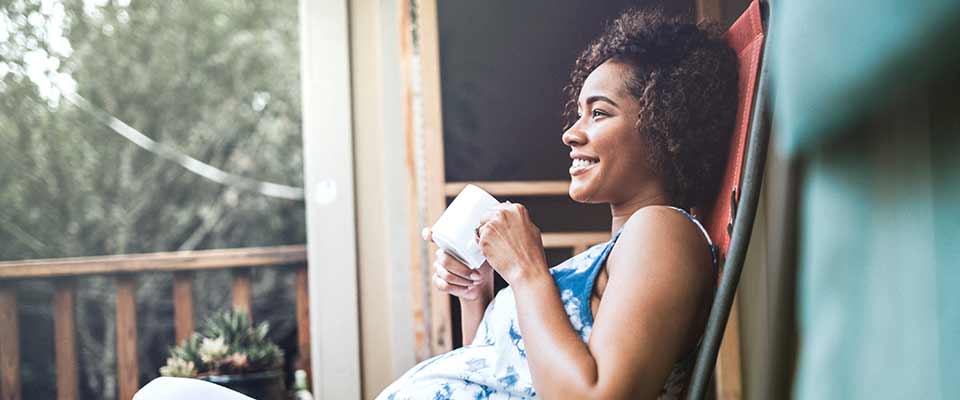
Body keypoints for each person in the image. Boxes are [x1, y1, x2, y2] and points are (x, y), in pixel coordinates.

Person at [378, 8, 738, 400]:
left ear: (666, 124)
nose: (570, 133)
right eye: (578, 113)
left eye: (598, 113)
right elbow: (500, 374)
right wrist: (476, 295)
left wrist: (526, 269)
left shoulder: (664, 232)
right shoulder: (624, 249)